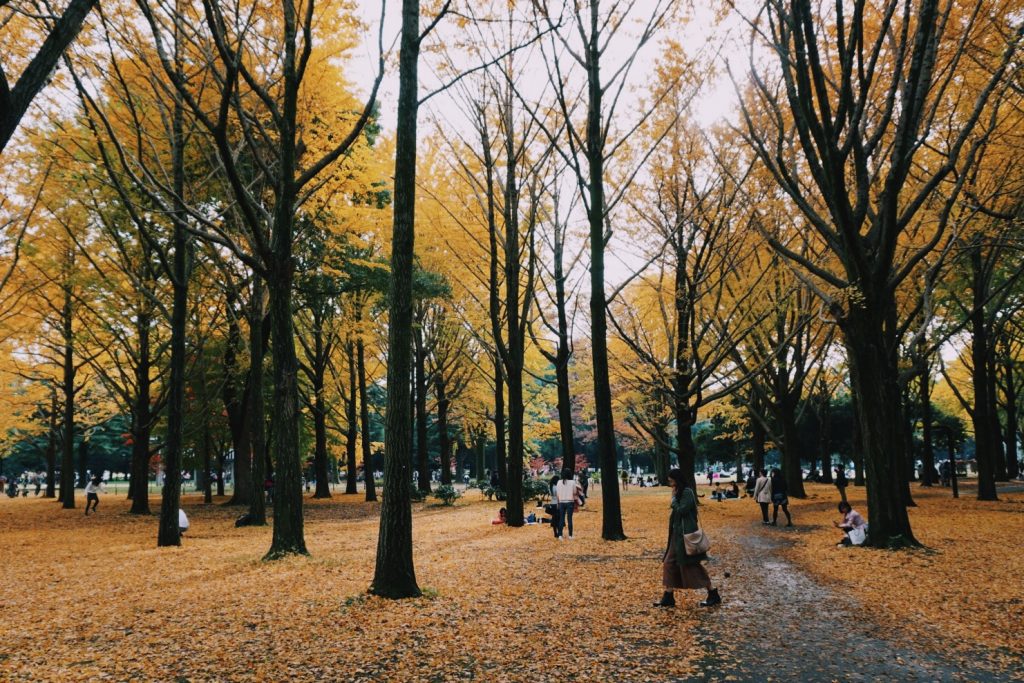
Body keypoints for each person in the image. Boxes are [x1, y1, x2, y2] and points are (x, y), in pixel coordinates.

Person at [654, 468, 721, 608]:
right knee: (669, 563)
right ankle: (668, 596)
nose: (669, 482)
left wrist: (673, 500)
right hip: (676, 535)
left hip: (685, 536)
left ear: (677, 479)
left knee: (691, 565)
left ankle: (713, 593)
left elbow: (682, 510)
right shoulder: (678, 491)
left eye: (671, 479)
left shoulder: (687, 492)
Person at [555, 468, 579, 540]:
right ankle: (570, 535)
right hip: (570, 502)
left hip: (561, 502)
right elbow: (574, 492)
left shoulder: (559, 482)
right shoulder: (572, 482)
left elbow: (557, 493)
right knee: (569, 519)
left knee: (561, 519)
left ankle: (560, 535)